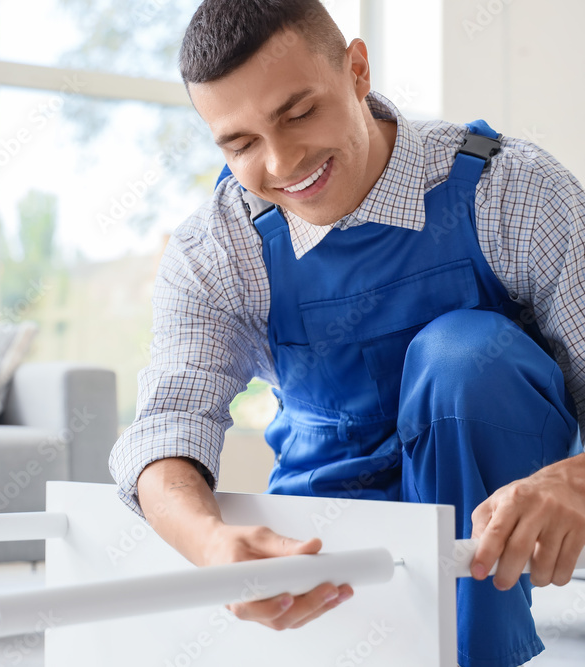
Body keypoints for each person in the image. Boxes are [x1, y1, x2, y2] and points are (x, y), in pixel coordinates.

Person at [107, 1, 585, 666]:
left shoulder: (514, 190)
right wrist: (210, 543)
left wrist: (576, 480)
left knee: (462, 356)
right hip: (331, 495)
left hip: (492, 486)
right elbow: (166, 427)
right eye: (241, 144)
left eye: (298, 113)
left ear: (357, 70)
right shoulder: (216, 249)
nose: (282, 162)